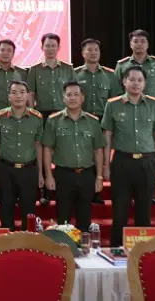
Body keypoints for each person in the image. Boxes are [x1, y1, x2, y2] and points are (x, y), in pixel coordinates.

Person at [102, 66, 155, 247]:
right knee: (120, 211)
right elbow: (107, 136)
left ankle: (142, 251)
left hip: (147, 162)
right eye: (131, 79)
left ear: (145, 83)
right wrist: (106, 165)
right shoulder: (113, 104)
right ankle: (116, 249)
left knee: (144, 210)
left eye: (140, 80)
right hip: (122, 162)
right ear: (124, 82)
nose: (135, 84)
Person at [114, 29, 155, 205]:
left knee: (153, 151)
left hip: (151, 113)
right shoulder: (122, 65)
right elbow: (116, 91)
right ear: (130, 44)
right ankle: (129, 192)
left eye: (142, 41)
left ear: (148, 44)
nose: (139, 44)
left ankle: (150, 191)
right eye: (136, 41)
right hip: (127, 111)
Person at [42, 82, 105, 231]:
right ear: (63, 98)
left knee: (84, 218)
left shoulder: (93, 122)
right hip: (63, 175)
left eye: (76, 94)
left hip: (86, 174)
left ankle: (83, 245)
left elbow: (98, 150)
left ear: (82, 98)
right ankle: (64, 245)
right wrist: (49, 176)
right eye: (69, 95)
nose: (72, 98)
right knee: (63, 219)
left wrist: (99, 176)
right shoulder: (53, 120)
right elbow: (47, 149)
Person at [27, 33, 76, 205]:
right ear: (42, 47)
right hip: (42, 114)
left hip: (64, 114)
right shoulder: (34, 69)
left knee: (64, 150)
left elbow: (74, 92)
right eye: (47, 46)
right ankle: (44, 191)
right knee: (42, 151)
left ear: (59, 47)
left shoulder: (68, 68)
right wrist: (32, 114)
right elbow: (30, 93)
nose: (50, 49)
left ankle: (64, 189)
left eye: (53, 46)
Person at [0, 81, 44, 231]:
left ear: (28, 96)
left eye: (22, 92)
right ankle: (8, 243)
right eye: (14, 92)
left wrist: (40, 173)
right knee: (6, 209)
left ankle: (28, 243)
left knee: (29, 211)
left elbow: (38, 145)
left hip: (29, 169)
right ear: (9, 96)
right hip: (6, 169)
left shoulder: (37, 118)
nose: (18, 96)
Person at [74, 38, 120, 205]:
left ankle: (97, 191)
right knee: (84, 154)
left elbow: (115, 100)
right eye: (89, 50)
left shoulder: (110, 75)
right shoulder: (75, 74)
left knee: (99, 154)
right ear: (83, 53)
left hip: (103, 120)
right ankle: (81, 190)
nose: (93, 53)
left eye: (96, 50)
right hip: (82, 119)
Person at [0, 39, 27, 207]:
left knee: (16, 152)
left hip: (18, 116)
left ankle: (17, 193)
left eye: (9, 50)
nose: (5, 53)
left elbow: (28, 96)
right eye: (2, 50)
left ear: (14, 53)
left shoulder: (22, 73)